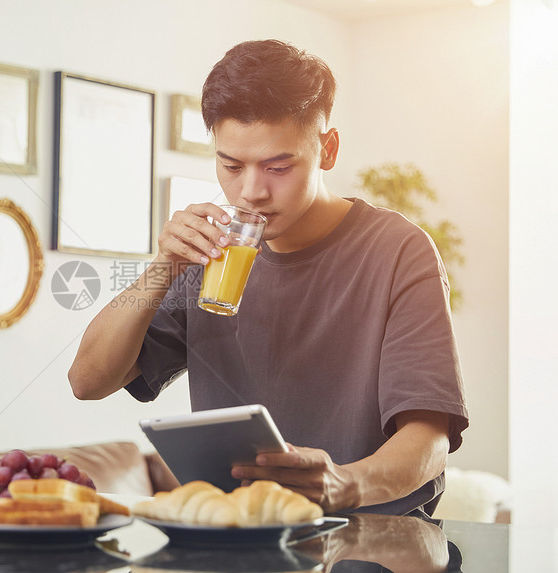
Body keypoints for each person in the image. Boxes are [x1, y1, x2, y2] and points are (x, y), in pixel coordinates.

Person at [68, 39, 468, 516]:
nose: (251, 191)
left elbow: (429, 440)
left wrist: (346, 484)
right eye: (231, 166)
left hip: (378, 544)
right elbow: (87, 381)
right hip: (245, 544)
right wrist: (162, 268)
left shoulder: (398, 250)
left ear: (327, 149)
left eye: (278, 166)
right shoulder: (210, 252)